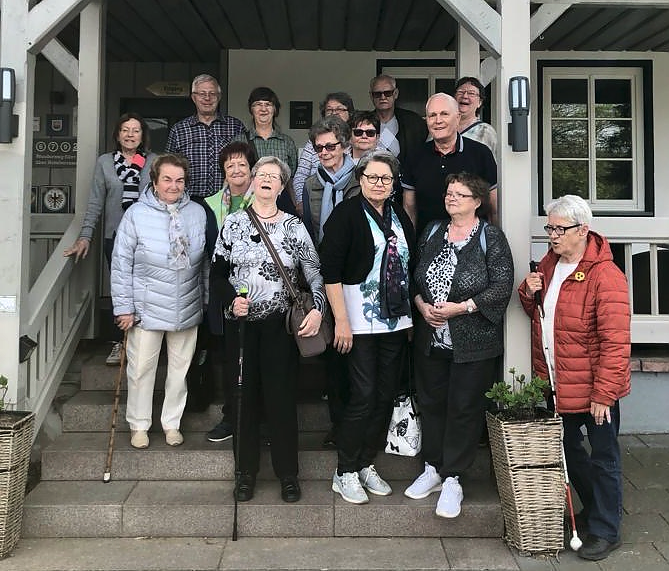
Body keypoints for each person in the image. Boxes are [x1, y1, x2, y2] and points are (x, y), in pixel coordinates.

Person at [519, 194, 630, 561]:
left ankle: (605, 530)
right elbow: (541, 315)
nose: (551, 235)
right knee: (567, 452)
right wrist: (527, 291)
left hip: (595, 389)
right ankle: (595, 510)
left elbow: (616, 341)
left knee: (604, 459)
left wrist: (604, 394)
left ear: (583, 230)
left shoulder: (606, 275)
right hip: (558, 382)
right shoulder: (551, 265)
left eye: (559, 229)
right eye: (549, 228)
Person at [211, 156, 325, 504]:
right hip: (243, 328)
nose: (266, 180)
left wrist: (318, 308)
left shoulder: (294, 226)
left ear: (281, 186)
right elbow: (216, 273)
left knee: (280, 399)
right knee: (244, 400)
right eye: (261, 174)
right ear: (253, 181)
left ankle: (287, 474)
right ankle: (244, 474)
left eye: (274, 177)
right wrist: (232, 300)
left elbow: (314, 272)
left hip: (280, 328)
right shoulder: (232, 224)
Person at [405, 172, 514, 519]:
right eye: (449, 193)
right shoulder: (433, 231)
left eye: (460, 194)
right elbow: (413, 275)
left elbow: (502, 285)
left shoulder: (490, 237)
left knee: (464, 407)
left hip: (474, 342)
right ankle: (433, 468)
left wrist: (461, 308)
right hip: (431, 339)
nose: (451, 198)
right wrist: (422, 306)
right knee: (433, 403)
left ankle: (453, 477)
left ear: (477, 201)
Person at [320, 150, 415, 505]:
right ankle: (343, 470)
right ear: (360, 181)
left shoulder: (398, 216)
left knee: (384, 395)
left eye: (386, 179)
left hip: (395, 321)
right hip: (358, 321)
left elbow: (408, 266)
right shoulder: (346, 215)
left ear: (393, 185)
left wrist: (409, 319)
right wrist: (341, 321)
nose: (379, 183)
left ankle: (364, 463)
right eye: (372, 177)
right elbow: (330, 270)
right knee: (361, 395)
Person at [111, 154, 208, 449]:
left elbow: (204, 262)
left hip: (187, 304)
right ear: (154, 181)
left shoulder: (197, 212)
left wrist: (204, 299)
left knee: (179, 371)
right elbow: (120, 262)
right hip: (146, 307)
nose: (173, 185)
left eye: (179, 180)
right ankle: (139, 424)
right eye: (167, 179)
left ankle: (172, 423)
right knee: (141, 368)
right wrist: (123, 306)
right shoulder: (136, 214)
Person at [64, 112, 157, 365]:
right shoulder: (105, 163)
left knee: (147, 289)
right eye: (125, 130)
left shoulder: (154, 162)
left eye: (135, 130)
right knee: (122, 290)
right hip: (115, 236)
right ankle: (121, 342)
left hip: (149, 238)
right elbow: (95, 202)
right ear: (117, 134)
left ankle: (146, 343)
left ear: (142, 135)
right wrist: (85, 237)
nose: (130, 135)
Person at [204, 141, 257, 443]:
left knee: (256, 357)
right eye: (230, 165)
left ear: (252, 169)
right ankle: (230, 417)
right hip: (224, 291)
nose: (236, 170)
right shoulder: (211, 206)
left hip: (259, 293)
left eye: (242, 165)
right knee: (228, 357)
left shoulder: (268, 198)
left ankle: (257, 418)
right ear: (223, 171)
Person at [165, 74, 246, 256]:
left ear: (219, 97)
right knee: (191, 254)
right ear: (194, 97)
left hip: (226, 202)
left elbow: (245, 163)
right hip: (189, 202)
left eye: (212, 94)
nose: (207, 98)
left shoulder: (235, 127)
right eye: (202, 94)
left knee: (225, 254)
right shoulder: (179, 130)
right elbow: (168, 167)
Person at [402, 93, 497, 235]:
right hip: (427, 246)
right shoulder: (415, 156)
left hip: (473, 247)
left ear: (457, 118)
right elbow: (409, 209)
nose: (437, 120)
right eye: (432, 115)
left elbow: (493, 209)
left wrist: (494, 244)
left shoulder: (481, 154)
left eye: (444, 114)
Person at [234, 86, 298, 214]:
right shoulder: (239, 141)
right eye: (258, 104)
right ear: (251, 110)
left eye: (268, 104)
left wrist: (296, 204)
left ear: (275, 110)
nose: (263, 109)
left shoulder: (287, 142)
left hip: (280, 202)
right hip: (248, 202)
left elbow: (291, 178)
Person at [293, 92, 355, 214]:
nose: (334, 113)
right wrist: (302, 202)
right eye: (329, 110)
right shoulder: (313, 143)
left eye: (339, 109)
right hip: (315, 199)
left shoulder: (357, 139)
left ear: (350, 114)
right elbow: (300, 176)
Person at [302, 116, 359, 244]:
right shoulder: (310, 185)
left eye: (330, 147)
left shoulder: (360, 180)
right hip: (321, 255)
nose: (323, 152)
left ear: (344, 146)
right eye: (319, 147)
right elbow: (308, 229)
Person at [370, 74, 428, 167]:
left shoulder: (413, 122)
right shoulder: (365, 123)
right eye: (377, 94)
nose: (383, 97)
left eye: (387, 93)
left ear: (395, 94)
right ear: (371, 96)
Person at [455, 77, 497, 157]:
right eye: (460, 92)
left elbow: (489, 166)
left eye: (471, 93)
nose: (465, 96)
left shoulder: (485, 131)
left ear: (479, 103)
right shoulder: (442, 126)